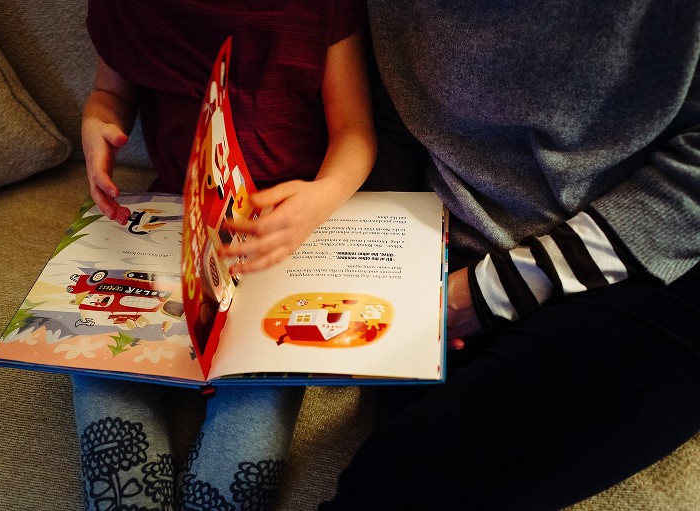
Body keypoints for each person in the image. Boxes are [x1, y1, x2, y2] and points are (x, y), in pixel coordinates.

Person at [321, 1, 700, 510]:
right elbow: (398, 116)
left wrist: (486, 294)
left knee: (394, 485)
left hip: (662, 250)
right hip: (459, 244)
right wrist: (389, 258)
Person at [76, 1, 376, 510]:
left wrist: (322, 195)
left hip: (284, 234)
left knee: (257, 401)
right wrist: (98, 121)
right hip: (173, 220)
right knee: (99, 357)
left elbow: (355, 132)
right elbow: (111, 92)